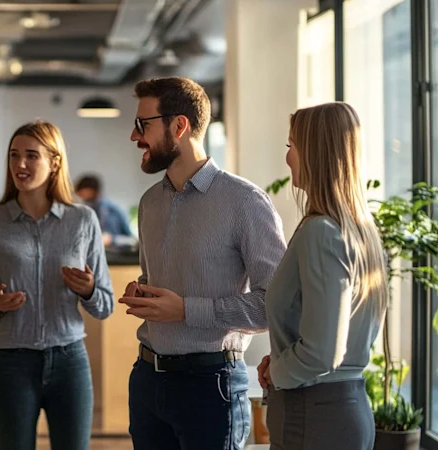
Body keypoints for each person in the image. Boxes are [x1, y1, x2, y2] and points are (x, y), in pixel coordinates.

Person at [118, 77, 287, 450]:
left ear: (179, 126)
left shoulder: (245, 202)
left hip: (212, 387)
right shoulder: (150, 203)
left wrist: (185, 310)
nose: (134, 136)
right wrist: (144, 292)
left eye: (143, 124)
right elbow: (153, 276)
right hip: (147, 380)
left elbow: (275, 306)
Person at [0, 120, 114, 450]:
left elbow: (105, 304)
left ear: (55, 162)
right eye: (14, 154)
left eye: (32, 155)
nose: (20, 164)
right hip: (9, 364)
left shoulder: (83, 220)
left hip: (69, 362)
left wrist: (88, 290)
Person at [256, 102, 385, 450]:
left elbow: (322, 353)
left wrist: (278, 372)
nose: (287, 157)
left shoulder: (320, 232)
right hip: (340, 407)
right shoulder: (360, 232)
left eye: (291, 145)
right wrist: (284, 361)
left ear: (314, 152)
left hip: (313, 414)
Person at [75, 174, 133, 246]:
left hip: (114, 251)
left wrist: (112, 239)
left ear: (92, 191)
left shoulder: (115, 210)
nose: (81, 197)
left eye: (83, 193)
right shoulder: (85, 212)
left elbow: (130, 239)